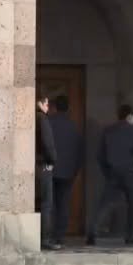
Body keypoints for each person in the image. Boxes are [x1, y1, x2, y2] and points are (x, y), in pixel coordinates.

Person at [86, 103, 133, 246]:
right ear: (129, 116)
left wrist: (107, 171)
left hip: (113, 172)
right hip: (130, 173)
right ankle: (130, 235)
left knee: (104, 204)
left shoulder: (108, 131)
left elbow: (100, 155)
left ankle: (93, 230)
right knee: (132, 205)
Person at [48, 95, 83, 245]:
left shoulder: (48, 123)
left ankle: (47, 235)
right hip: (68, 172)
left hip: (49, 170)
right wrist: (76, 170)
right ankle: (59, 236)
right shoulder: (74, 127)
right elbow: (80, 151)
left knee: (49, 203)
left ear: (55, 107)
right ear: (68, 108)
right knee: (63, 204)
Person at [35, 92, 59, 251]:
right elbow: (48, 142)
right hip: (43, 165)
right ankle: (46, 239)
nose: (48, 107)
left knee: (41, 202)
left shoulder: (34, 118)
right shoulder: (42, 118)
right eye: (47, 104)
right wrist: (52, 161)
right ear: (41, 103)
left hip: (36, 165)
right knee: (47, 203)